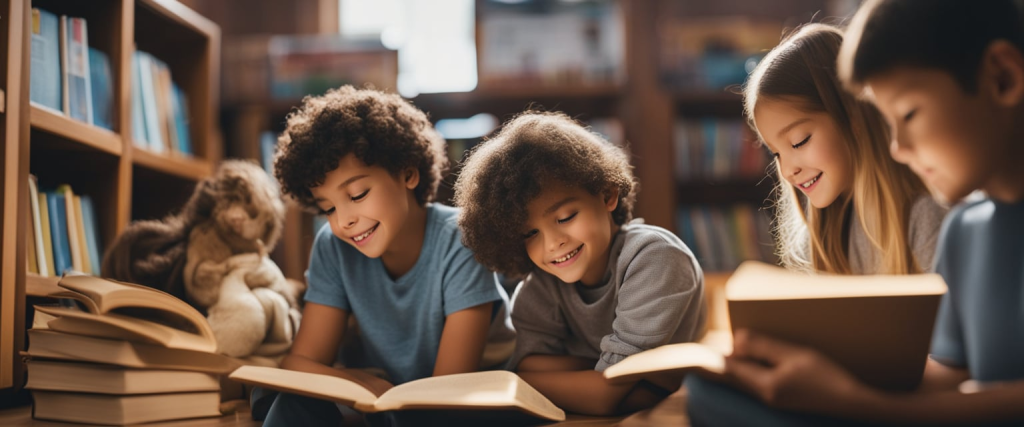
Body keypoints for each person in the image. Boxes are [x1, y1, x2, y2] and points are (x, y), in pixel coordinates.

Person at [687, 1, 1024, 425]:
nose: (896, 146)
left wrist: (857, 404)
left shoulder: (935, 219)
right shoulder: (967, 228)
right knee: (709, 394)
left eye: (908, 114)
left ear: (1004, 77)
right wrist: (816, 382)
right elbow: (946, 377)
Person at [258, 86, 515, 425]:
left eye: (358, 194)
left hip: (470, 398)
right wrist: (361, 383)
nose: (343, 220)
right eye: (328, 208)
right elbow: (301, 362)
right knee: (276, 399)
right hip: (394, 393)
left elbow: (448, 389)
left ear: (408, 173)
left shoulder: (460, 237)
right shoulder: (333, 246)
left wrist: (366, 389)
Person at [453, 111, 706, 416]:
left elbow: (603, 396)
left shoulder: (654, 258)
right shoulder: (541, 285)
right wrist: (597, 373)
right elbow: (532, 361)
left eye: (565, 217)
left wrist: (517, 381)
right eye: (530, 233)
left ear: (607, 194)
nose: (552, 243)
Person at [746, 23, 945, 276]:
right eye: (776, 154)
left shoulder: (925, 218)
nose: (787, 170)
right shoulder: (817, 241)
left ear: (854, 119)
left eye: (799, 141)